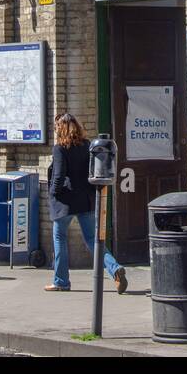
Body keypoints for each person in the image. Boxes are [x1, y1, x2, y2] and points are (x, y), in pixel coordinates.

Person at [45, 113, 127, 294]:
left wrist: (52, 193)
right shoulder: (87, 145)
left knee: (60, 239)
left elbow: (58, 176)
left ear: (60, 128)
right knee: (93, 240)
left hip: (65, 201)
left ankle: (61, 281)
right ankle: (115, 269)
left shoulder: (60, 148)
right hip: (86, 200)